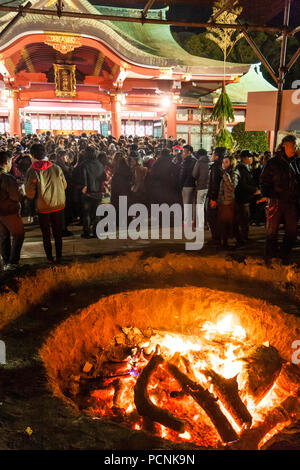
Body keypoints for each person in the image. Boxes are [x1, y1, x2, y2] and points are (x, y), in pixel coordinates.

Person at [260, 135, 300, 265]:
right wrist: (268, 195)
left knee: (292, 231)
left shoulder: (295, 163)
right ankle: (270, 257)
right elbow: (264, 181)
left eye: (296, 145)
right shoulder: (273, 163)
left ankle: (283, 254)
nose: (295, 148)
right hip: (276, 200)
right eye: (293, 145)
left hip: (291, 202)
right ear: (285, 146)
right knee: (272, 230)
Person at [25, 143, 67, 263]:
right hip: (58, 204)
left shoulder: (32, 171)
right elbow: (64, 185)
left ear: (32, 155)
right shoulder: (56, 168)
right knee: (58, 232)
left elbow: (30, 193)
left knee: (46, 234)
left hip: (43, 206)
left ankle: (49, 258)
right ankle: (59, 256)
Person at [0, 151, 24, 270]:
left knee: (4, 237)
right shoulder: (7, 178)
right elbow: (15, 196)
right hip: (9, 211)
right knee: (18, 235)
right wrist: (21, 191)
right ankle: (13, 262)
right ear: (6, 162)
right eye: (10, 162)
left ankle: (6, 262)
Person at [234, 150, 261, 245]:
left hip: (246, 197)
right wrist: (254, 190)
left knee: (245, 218)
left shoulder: (246, 168)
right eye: (249, 157)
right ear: (244, 158)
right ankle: (241, 239)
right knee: (243, 219)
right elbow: (242, 184)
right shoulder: (240, 168)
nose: (251, 159)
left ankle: (244, 237)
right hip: (241, 198)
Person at [79, 146, 106, 238]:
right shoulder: (100, 164)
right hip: (98, 192)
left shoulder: (84, 164)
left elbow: (83, 178)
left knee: (87, 213)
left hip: (88, 192)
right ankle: (96, 232)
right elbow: (104, 178)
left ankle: (86, 232)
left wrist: (84, 186)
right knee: (97, 213)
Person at [217, 155, 239, 249]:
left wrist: (226, 176)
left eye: (226, 162)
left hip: (229, 202)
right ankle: (224, 242)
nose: (224, 164)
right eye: (223, 162)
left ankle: (228, 243)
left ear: (231, 163)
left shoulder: (234, 173)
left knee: (228, 223)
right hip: (223, 202)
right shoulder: (224, 173)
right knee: (223, 223)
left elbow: (232, 186)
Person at [206, 147, 226, 245]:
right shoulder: (222, 166)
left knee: (212, 217)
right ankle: (218, 238)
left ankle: (216, 239)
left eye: (212, 154)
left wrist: (213, 198)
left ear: (217, 156)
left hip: (214, 196)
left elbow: (214, 183)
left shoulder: (215, 167)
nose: (211, 156)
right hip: (220, 197)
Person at [192, 149, 210, 232]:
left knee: (200, 206)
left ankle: (201, 225)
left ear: (198, 155)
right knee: (208, 207)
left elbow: (194, 174)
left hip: (201, 186)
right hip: (210, 187)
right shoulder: (211, 161)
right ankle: (209, 224)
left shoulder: (199, 162)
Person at [179, 144, 197, 226]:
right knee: (193, 203)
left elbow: (182, 174)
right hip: (194, 184)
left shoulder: (186, 161)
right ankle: (193, 221)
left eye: (184, 151)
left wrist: (180, 185)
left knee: (186, 204)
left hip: (186, 185)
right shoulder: (196, 160)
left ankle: (187, 221)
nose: (182, 153)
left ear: (189, 152)